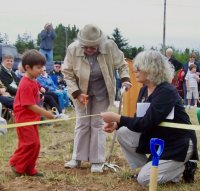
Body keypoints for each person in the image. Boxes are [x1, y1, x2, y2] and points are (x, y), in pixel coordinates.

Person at [101, 50, 198, 185]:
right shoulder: (143, 90)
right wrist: (117, 125)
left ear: (152, 69)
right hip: (160, 139)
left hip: (177, 144)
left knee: (145, 180)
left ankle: (182, 167)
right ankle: (146, 168)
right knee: (123, 133)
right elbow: (139, 118)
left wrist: (117, 118)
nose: (134, 71)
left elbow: (145, 123)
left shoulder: (166, 91)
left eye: (139, 67)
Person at [63, 24, 131, 173]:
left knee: (97, 123)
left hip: (102, 91)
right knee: (82, 122)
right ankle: (77, 157)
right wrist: (77, 93)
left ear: (100, 43)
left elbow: (122, 64)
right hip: (81, 92)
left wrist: (125, 79)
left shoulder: (110, 46)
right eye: (86, 47)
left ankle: (97, 160)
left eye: (93, 47)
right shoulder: (72, 49)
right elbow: (67, 73)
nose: (89, 50)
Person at [9, 49, 55, 177]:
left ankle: (29, 168)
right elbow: (29, 105)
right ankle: (16, 164)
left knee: (36, 144)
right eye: (38, 67)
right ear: (28, 68)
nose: (42, 70)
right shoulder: (25, 84)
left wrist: (40, 90)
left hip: (32, 118)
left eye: (43, 67)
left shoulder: (33, 79)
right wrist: (46, 113)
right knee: (29, 143)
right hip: (24, 119)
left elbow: (35, 90)